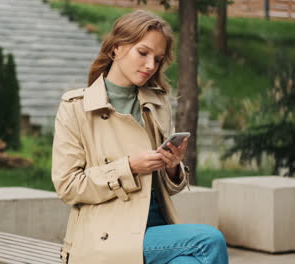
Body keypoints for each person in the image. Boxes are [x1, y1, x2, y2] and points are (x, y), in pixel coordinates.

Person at [51, 9, 229, 264]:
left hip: (157, 228)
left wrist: (172, 167)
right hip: (108, 235)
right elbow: (68, 186)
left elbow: (166, 188)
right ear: (115, 49)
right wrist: (129, 167)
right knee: (209, 240)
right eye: (142, 53)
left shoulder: (157, 102)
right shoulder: (76, 107)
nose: (150, 65)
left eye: (157, 59)